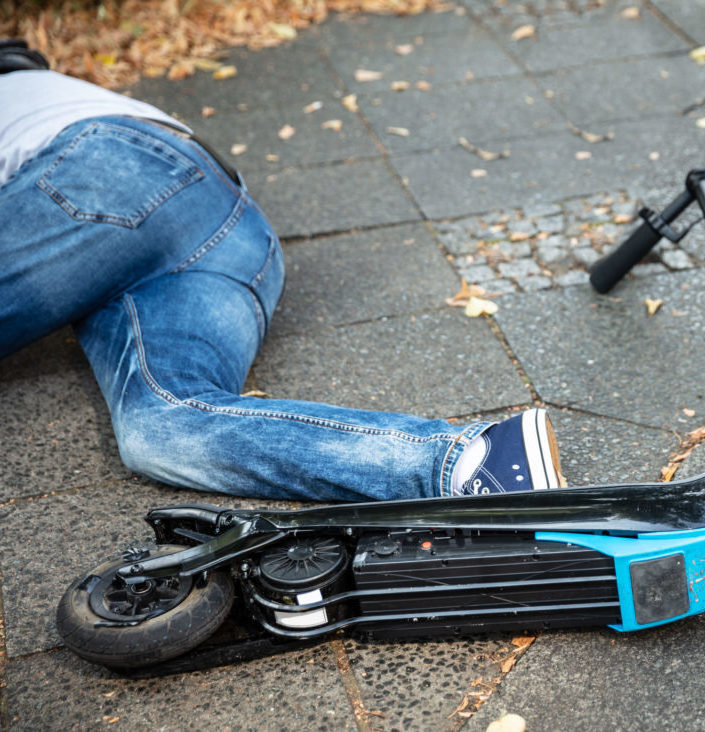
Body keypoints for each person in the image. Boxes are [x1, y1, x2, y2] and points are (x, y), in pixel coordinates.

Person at [0, 41, 564, 503]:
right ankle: (470, 462)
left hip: (120, 173)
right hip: (236, 236)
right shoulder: (46, 88)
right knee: (160, 428)